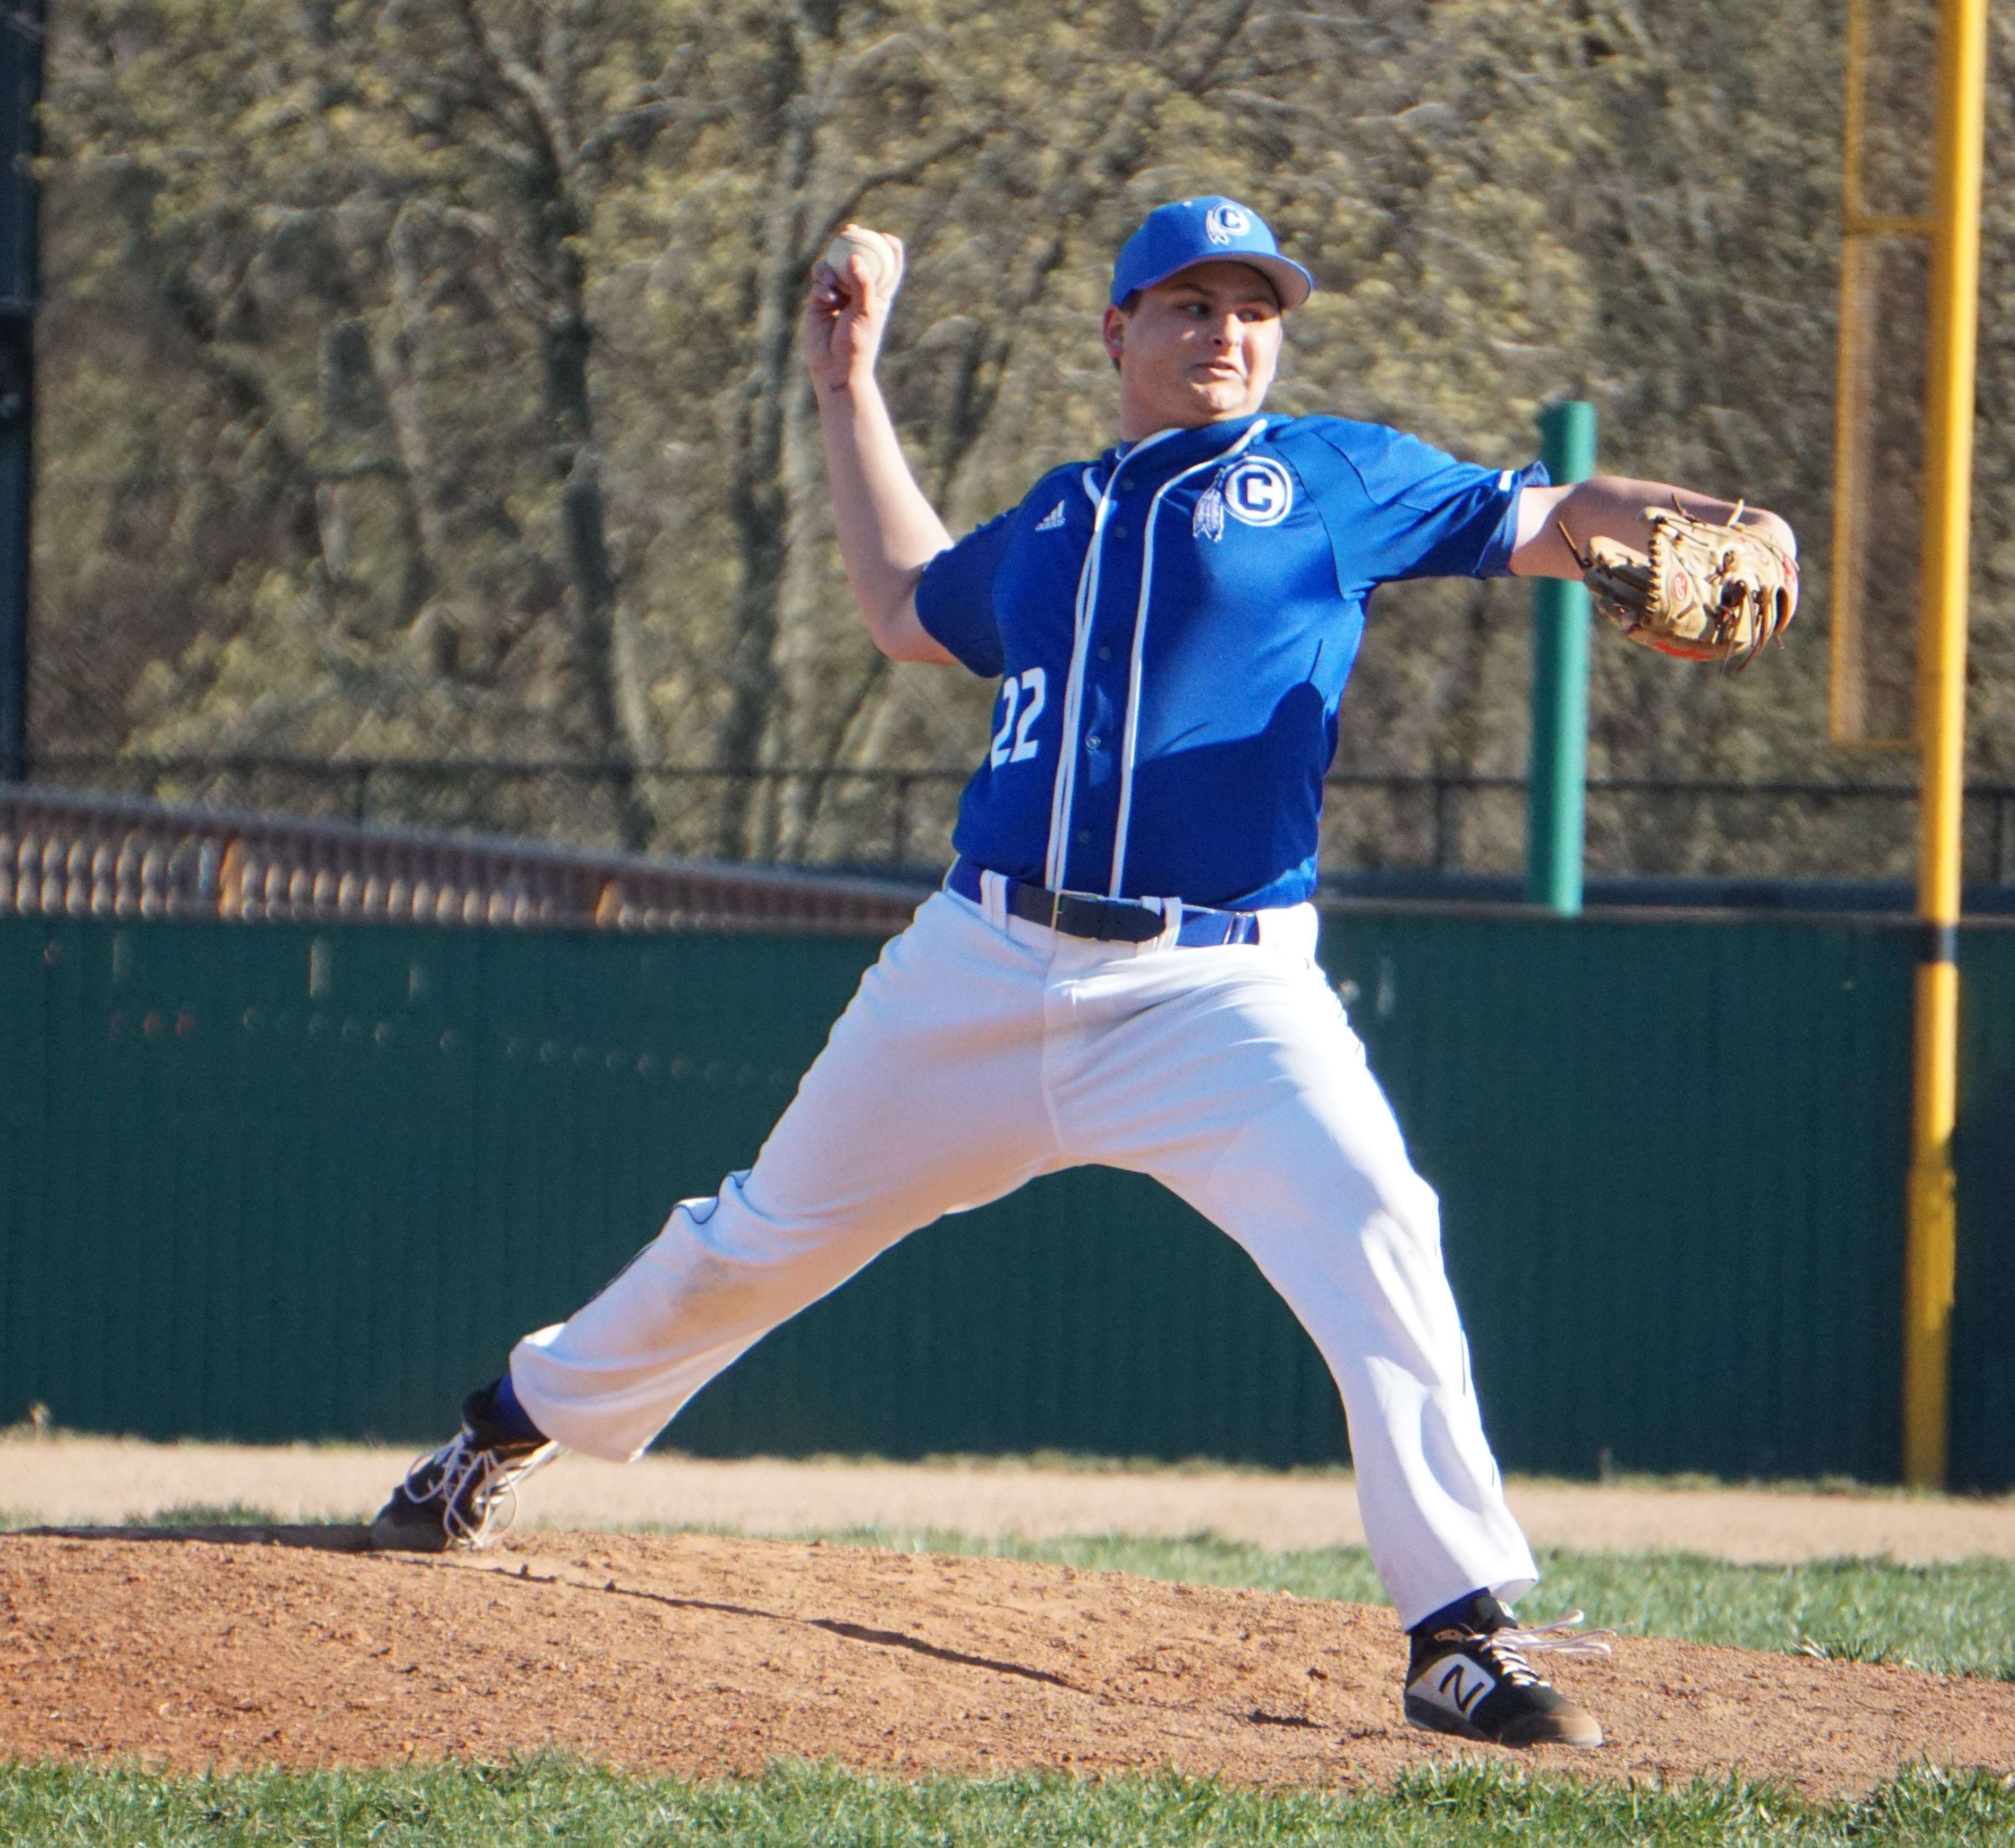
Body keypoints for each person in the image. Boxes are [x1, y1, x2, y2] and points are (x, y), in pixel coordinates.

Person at [372, 197, 1795, 1751]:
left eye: (1254, 307)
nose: (1228, 331)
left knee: (1380, 1227)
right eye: (1189, 303)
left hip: (1223, 991)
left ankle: (1459, 1633)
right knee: (755, 1244)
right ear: (1118, 332)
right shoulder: (1058, 516)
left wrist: (1731, 522)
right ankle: (498, 1433)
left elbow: (1555, 512)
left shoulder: (1328, 476)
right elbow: (909, 609)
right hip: (979, 962)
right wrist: (848, 388)